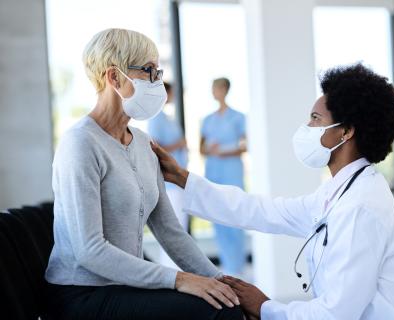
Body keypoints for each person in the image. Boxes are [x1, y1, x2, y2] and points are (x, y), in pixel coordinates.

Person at [151, 64, 394, 319]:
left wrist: (265, 306)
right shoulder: (341, 191)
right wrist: (182, 177)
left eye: (315, 119)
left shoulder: (361, 206)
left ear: (346, 131)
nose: (306, 127)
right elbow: (263, 211)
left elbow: (336, 314)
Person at [44, 28, 242, 320]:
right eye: (149, 71)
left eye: (158, 73)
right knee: (218, 313)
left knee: (229, 304)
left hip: (126, 286)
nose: (157, 82)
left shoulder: (141, 143)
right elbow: (90, 250)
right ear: (114, 77)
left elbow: (170, 231)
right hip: (82, 294)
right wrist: (182, 279)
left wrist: (223, 283)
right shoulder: (80, 144)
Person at [200, 77, 247, 276]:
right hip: (213, 172)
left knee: (235, 215)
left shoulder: (238, 117)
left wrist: (225, 150)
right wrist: (210, 149)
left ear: (225, 90)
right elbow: (201, 147)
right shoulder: (207, 120)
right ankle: (227, 268)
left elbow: (245, 145)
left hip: (232, 172)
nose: (214, 92)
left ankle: (238, 266)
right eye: (212, 88)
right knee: (217, 217)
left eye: (216, 88)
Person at [148, 82, 190, 269]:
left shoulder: (167, 118)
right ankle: (173, 270)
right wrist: (179, 144)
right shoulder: (156, 119)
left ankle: (179, 268)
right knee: (174, 229)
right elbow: (155, 147)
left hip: (179, 181)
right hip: (170, 183)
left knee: (180, 228)